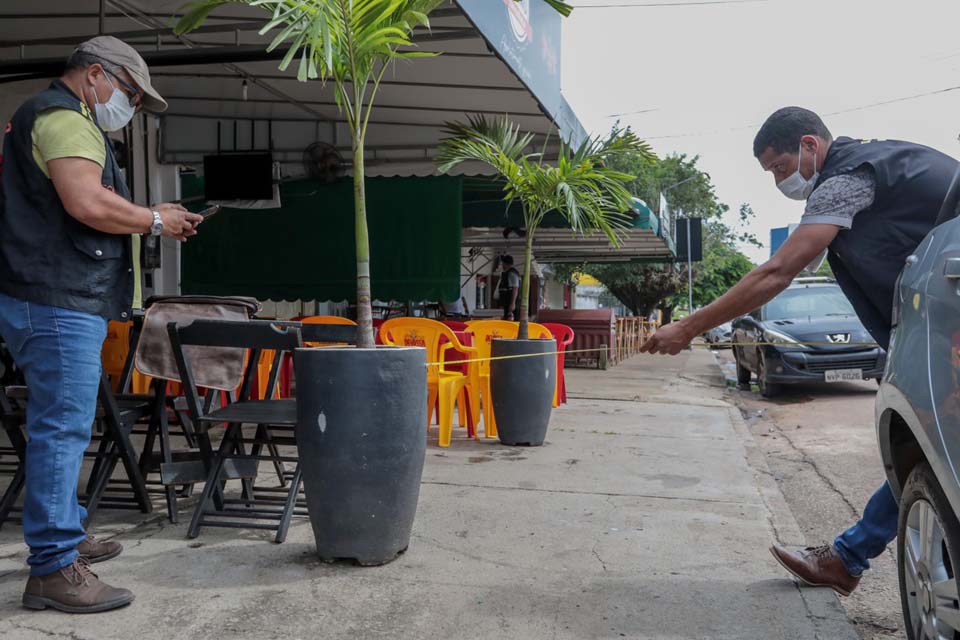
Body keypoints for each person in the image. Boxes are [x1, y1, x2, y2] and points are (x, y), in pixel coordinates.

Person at [640, 106, 959, 596]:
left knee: (931, 447)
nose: (779, 183)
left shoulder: (848, 177)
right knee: (930, 449)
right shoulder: (886, 166)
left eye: (781, 169)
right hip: (940, 323)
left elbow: (776, 272)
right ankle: (848, 556)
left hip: (945, 327)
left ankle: (847, 557)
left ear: (810, 145)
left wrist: (687, 326)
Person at [0, 36, 204, 613]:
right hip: (57, 298)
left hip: (52, 296)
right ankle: (55, 567)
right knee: (61, 429)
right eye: (131, 92)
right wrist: (156, 219)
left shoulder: (50, 117)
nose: (132, 105)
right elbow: (87, 203)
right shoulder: (63, 119)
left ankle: (64, 531)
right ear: (95, 75)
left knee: (63, 423)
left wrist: (150, 220)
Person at [498, 255, 521, 321]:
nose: (502, 265)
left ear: (505, 263)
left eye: (503, 263)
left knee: (511, 321)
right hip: (507, 302)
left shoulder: (512, 274)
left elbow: (515, 288)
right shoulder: (508, 273)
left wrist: (512, 303)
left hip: (511, 302)